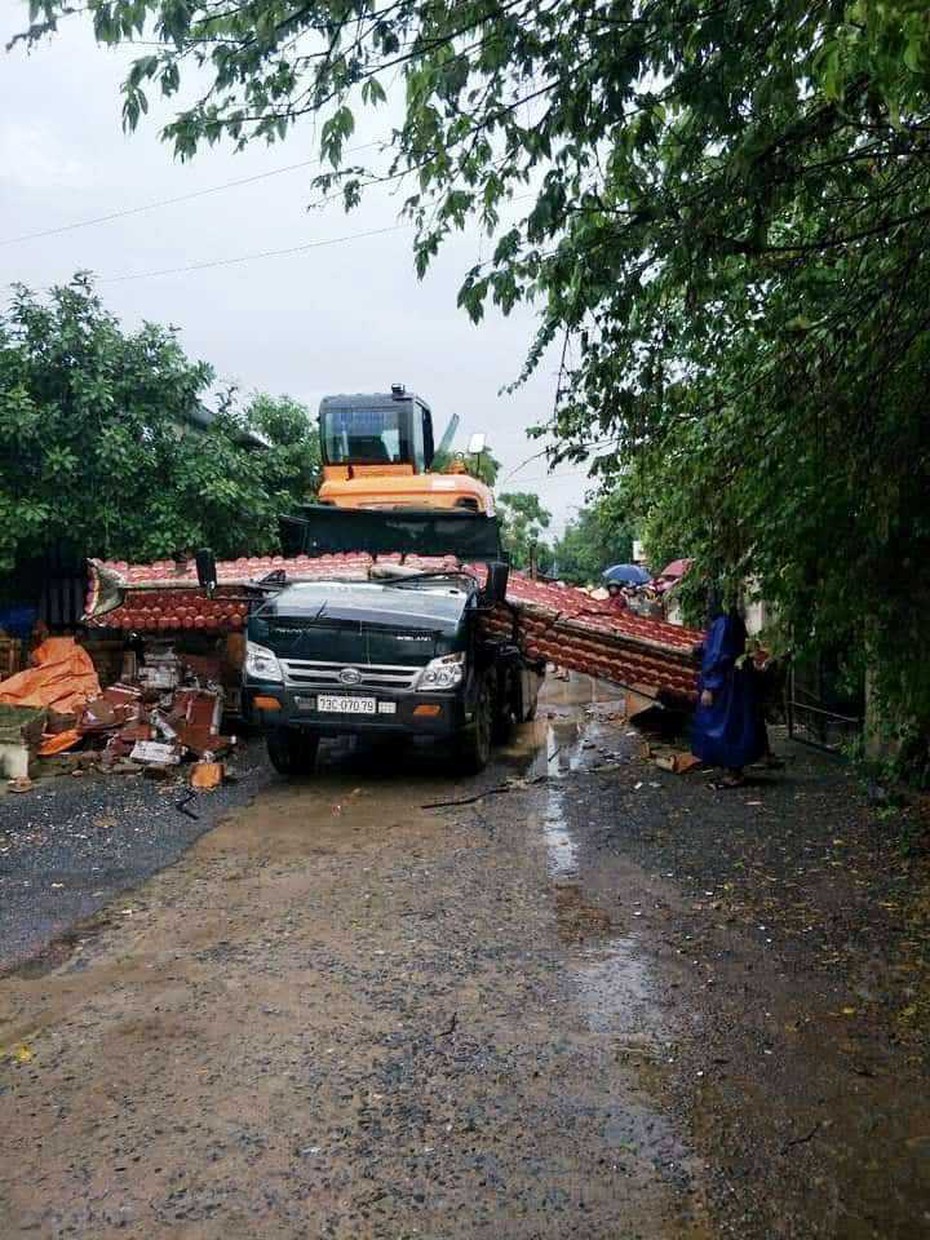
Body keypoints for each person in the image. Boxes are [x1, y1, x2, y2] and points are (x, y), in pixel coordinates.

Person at [691, 605, 768, 787]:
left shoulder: (723, 622)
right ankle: (734, 768)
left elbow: (719, 653)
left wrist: (710, 686)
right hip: (735, 681)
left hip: (727, 684)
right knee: (737, 724)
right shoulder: (731, 620)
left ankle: (733, 770)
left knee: (726, 726)